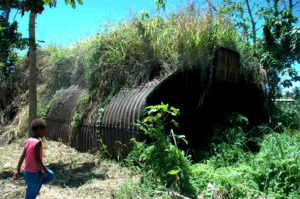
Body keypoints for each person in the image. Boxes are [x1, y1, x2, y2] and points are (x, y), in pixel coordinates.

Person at [12, 119, 54, 199]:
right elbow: (38, 160)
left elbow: (22, 156)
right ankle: (35, 186)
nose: (45, 133)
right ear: (39, 129)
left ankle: (37, 185)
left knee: (50, 174)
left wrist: (17, 170)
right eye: (44, 131)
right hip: (33, 174)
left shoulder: (28, 141)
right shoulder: (37, 143)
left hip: (27, 172)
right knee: (30, 195)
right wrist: (45, 170)